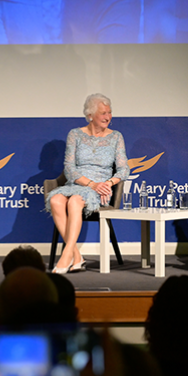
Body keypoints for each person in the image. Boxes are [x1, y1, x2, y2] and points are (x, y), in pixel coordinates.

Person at [45, 94, 129, 273]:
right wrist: (90, 184)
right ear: (90, 116)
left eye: (109, 112)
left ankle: (66, 255)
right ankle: (77, 256)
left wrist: (107, 183)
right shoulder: (75, 134)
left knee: (75, 200)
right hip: (79, 183)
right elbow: (69, 169)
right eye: (103, 113)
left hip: (101, 188)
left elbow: (123, 170)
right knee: (56, 200)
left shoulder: (116, 137)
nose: (108, 117)